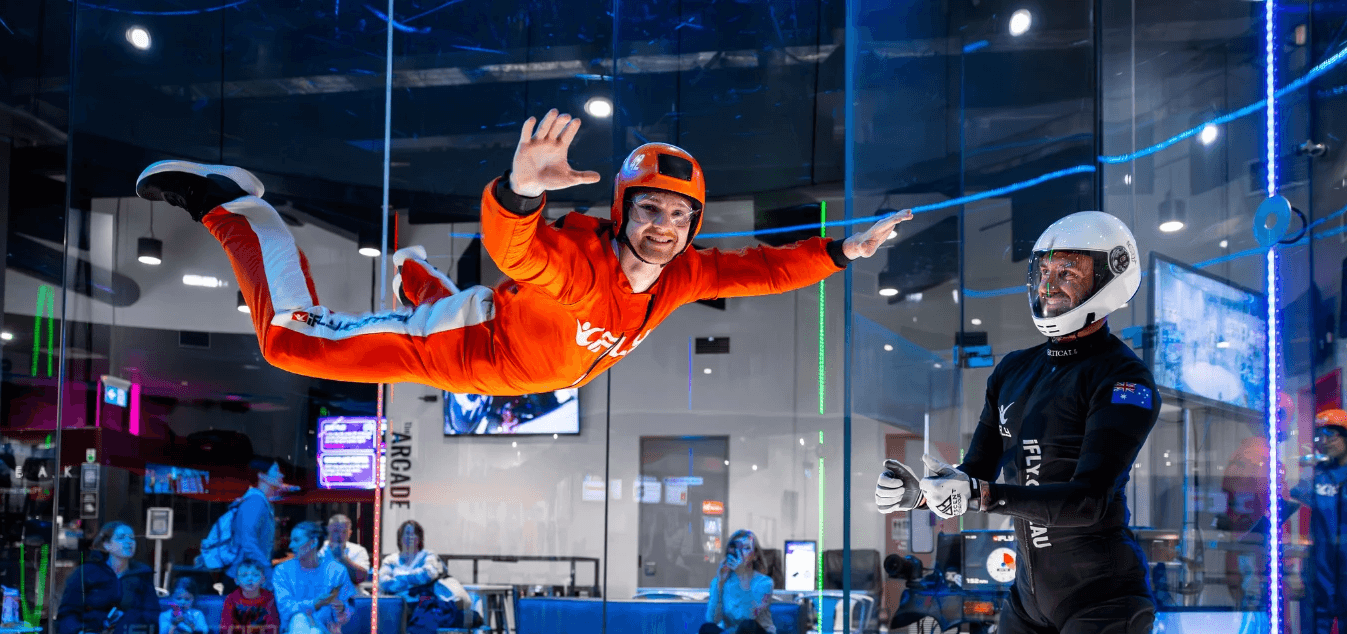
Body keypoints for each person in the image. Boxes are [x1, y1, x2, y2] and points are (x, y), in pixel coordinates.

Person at [132, 109, 910, 396]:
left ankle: (416, 276)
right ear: (622, 212)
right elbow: (516, 251)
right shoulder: (578, 264)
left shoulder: (684, 274)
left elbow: (766, 269)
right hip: (465, 350)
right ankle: (237, 207)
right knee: (287, 342)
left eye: (678, 215)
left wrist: (845, 250)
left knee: (432, 293)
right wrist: (519, 191)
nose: (664, 228)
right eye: (649, 211)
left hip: (515, 366)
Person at [875, 211, 1159, 634]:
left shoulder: (1123, 377)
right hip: (1026, 601)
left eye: (1068, 271)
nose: (1048, 285)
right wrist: (923, 494)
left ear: (1111, 274)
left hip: (1104, 602)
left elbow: (1089, 501)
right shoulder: (1012, 371)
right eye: (1044, 270)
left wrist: (982, 494)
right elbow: (975, 474)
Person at [1287, 409, 1347, 634]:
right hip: (1319, 566)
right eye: (1320, 435)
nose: (1325, 441)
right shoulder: (1316, 474)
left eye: (1331, 434)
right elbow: (1298, 493)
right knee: (1316, 623)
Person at [56, 521, 161, 634]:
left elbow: (152, 613)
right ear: (107, 545)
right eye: (121, 538)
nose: (129, 542)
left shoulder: (142, 574)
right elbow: (67, 614)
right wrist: (80, 631)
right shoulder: (85, 573)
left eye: (132, 538)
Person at [200, 461, 289, 592]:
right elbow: (248, 541)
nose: (281, 475)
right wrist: (266, 569)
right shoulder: (255, 502)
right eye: (276, 470)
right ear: (262, 476)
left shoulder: (258, 502)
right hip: (245, 579)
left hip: (246, 577)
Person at [379, 520, 480, 632]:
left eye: (414, 534)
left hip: (425, 606)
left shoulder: (428, 555)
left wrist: (399, 579)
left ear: (420, 538)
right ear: (400, 537)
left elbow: (428, 574)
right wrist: (416, 582)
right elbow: (384, 583)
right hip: (398, 606)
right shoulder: (390, 560)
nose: (410, 537)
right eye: (407, 533)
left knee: (469, 616)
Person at [273, 522, 356, 634]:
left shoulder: (336, 571)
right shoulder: (282, 571)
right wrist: (314, 604)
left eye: (296, 540)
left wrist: (341, 609)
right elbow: (286, 608)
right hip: (293, 629)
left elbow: (347, 612)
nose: (290, 546)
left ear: (314, 542)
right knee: (299, 619)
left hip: (326, 630)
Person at [702, 529, 775, 634]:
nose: (739, 552)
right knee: (707, 628)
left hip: (756, 631)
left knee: (747, 626)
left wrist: (742, 577)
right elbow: (711, 620)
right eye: (735, 548)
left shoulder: (765, 583)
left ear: (755, 555)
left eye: (746, 548)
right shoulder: (721, 581)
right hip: (731, 632)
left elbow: (749, 617)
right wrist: (720, 585)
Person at [221, 559, 281, 634]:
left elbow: (273, 626)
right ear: (236, 580)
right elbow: (226, 626)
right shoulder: (231, 599)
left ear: (263, 579)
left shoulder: (269, 598)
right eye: (244, 575)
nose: (250, 579)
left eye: (255, 575)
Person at [318, 515, 370, 585]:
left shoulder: (358, 550)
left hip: (351, 593)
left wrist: (343, 557)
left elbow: (362, 578)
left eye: (344, 532)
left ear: (350, 533)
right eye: (336, 531)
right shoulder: (318, 549)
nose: (339, 536)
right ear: (328, 530)